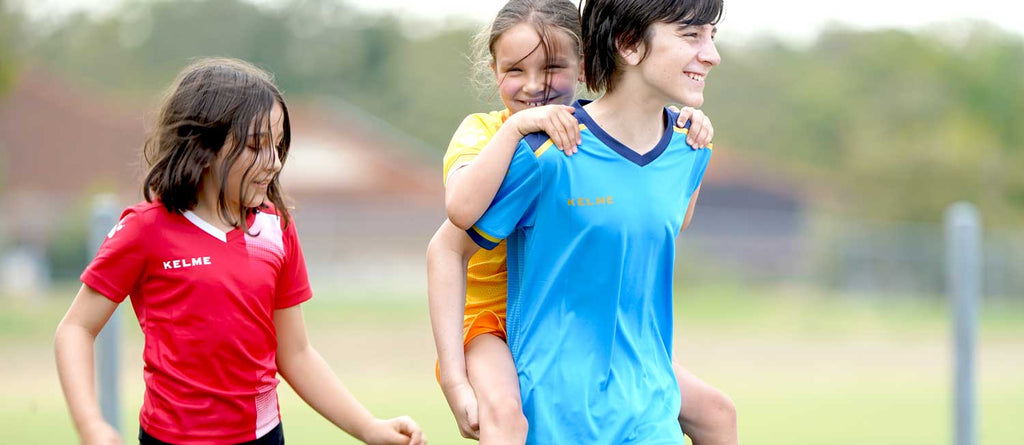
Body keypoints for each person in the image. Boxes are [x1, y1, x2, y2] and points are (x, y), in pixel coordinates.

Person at [54, 58, 426, 445]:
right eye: (255, 146)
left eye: (278, 146)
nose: (274, 162)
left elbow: (296, 354)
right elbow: (75, 329)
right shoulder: (145, 229)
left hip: (264, 437)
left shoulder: (275, 228)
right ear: (203, 146)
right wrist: (91, 426)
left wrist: (369, 427)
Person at [427, 1, 735, 444]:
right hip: (492, 328)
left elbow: (667, 220)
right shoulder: (524, 146)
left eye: (553, 67)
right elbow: (454, 225)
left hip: (636, 392)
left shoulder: (687, 147)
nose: (535, 87)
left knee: (718, 412)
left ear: (584, 65)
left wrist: (687, 144)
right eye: (691, 35)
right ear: (627, 45)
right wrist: (455, 380)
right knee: (504, 416)